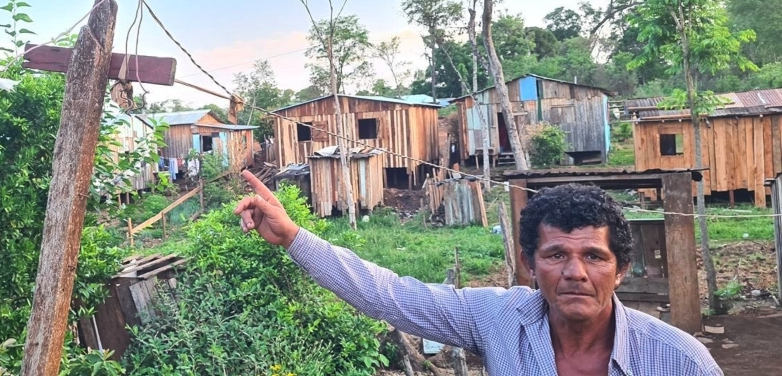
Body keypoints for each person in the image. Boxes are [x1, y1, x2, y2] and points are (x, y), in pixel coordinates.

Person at [233, 170, 722, 376]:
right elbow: (387, 294)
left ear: (621, 271)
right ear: (529, 265)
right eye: (555, 256)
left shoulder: (679, 360)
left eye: (594, 257)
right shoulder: (498, 318)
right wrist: (296, 238)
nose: (575, 272)